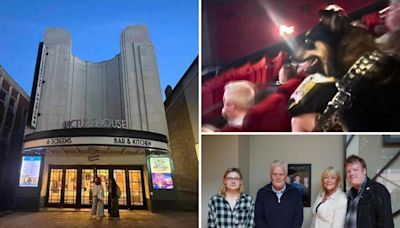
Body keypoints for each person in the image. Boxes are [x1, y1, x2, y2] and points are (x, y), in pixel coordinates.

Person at [344, 155, 394, 228]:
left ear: (364, 171)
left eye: (355, 170)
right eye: (348, 171)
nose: (351, 173)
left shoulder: (378, 191)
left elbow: (386, 224)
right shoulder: (350, 195)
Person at [255, 160, 303, 227]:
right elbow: (258, 218)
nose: (278, 177)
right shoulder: (262, 193)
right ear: (270, 175)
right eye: (275, 174)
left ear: (285, 176)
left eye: (281, 174)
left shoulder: (295, 193)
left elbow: (298, 217)